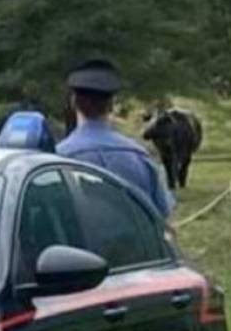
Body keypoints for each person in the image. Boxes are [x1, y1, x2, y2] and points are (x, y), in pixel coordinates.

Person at [56, 58, 174, 218]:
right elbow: (163, 212)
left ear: (73, 102)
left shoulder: (58, 159)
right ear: (111, 104)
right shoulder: (140, 156)